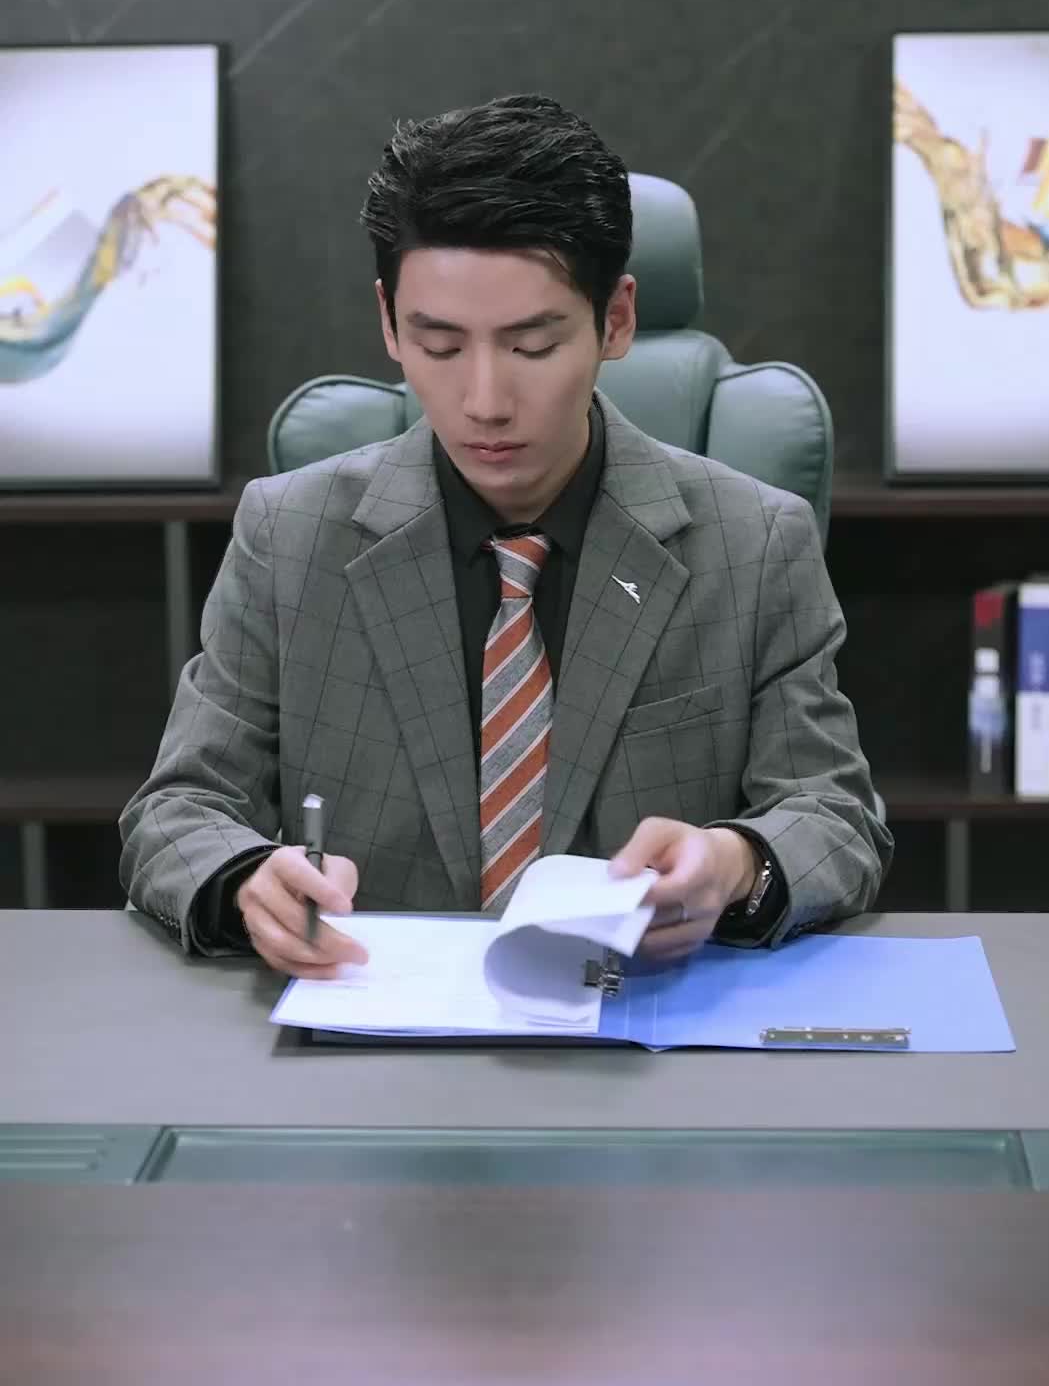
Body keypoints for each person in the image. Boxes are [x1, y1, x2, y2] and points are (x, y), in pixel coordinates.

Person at [120, 93, 892, 976]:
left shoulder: (755, 543)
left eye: (532, 347)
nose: (484, 401)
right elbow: (178, 810)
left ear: (616, 320)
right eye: (441, 347)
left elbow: (835, 816)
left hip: (644, 1018)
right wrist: (245, 878)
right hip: (369, 1016)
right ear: (389, 322)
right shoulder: (287, 535)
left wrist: (738, 862)